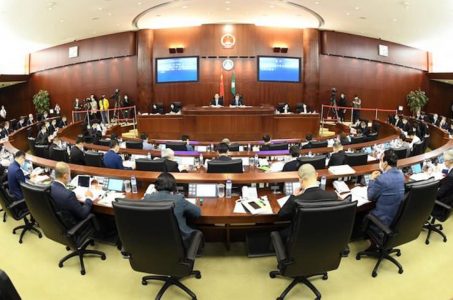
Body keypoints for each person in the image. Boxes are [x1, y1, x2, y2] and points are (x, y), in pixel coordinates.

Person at [143, 172, 201, 249]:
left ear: (156, 186)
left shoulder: (147, 198)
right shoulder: (178, 199)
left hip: (154, 240)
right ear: (174, 186)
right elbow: (197, 213)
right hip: (178, 243)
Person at [367, 150, 405, 228]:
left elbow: (370, 197)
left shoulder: (382, 179)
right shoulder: (402, 176)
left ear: (385, 163)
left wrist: (371, 180)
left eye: (381, 160)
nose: (380, 163)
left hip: (382, 219)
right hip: (395, 218)